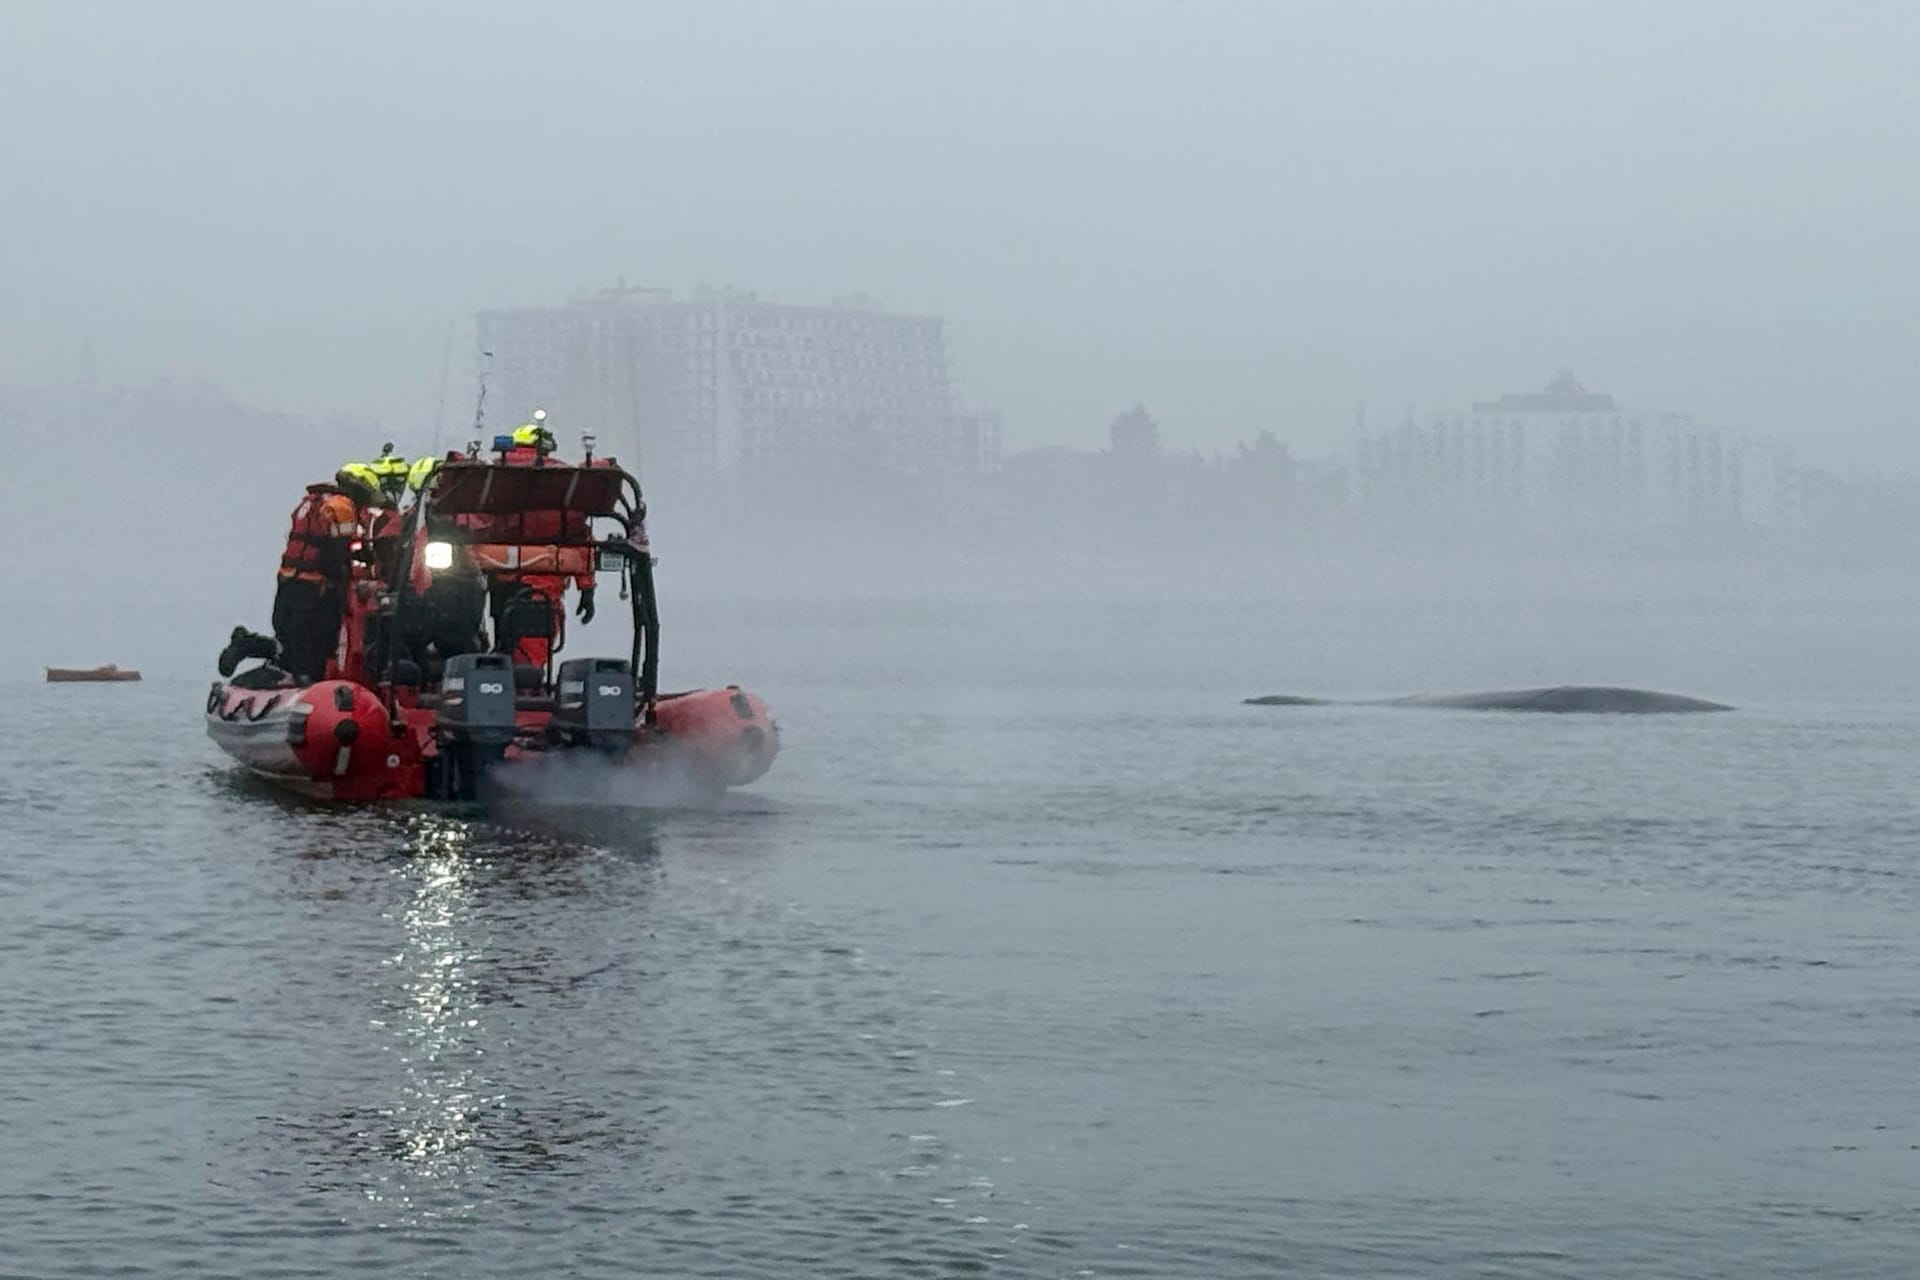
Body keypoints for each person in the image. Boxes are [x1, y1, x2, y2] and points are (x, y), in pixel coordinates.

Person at [268, 467, 378, 682]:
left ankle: (270, 658)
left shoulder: (311, 502)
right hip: (313, 588)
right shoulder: (342, 507)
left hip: (288, 580)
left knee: (287, 640)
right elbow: (340, 551)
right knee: (316, 643)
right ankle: (308, 681)